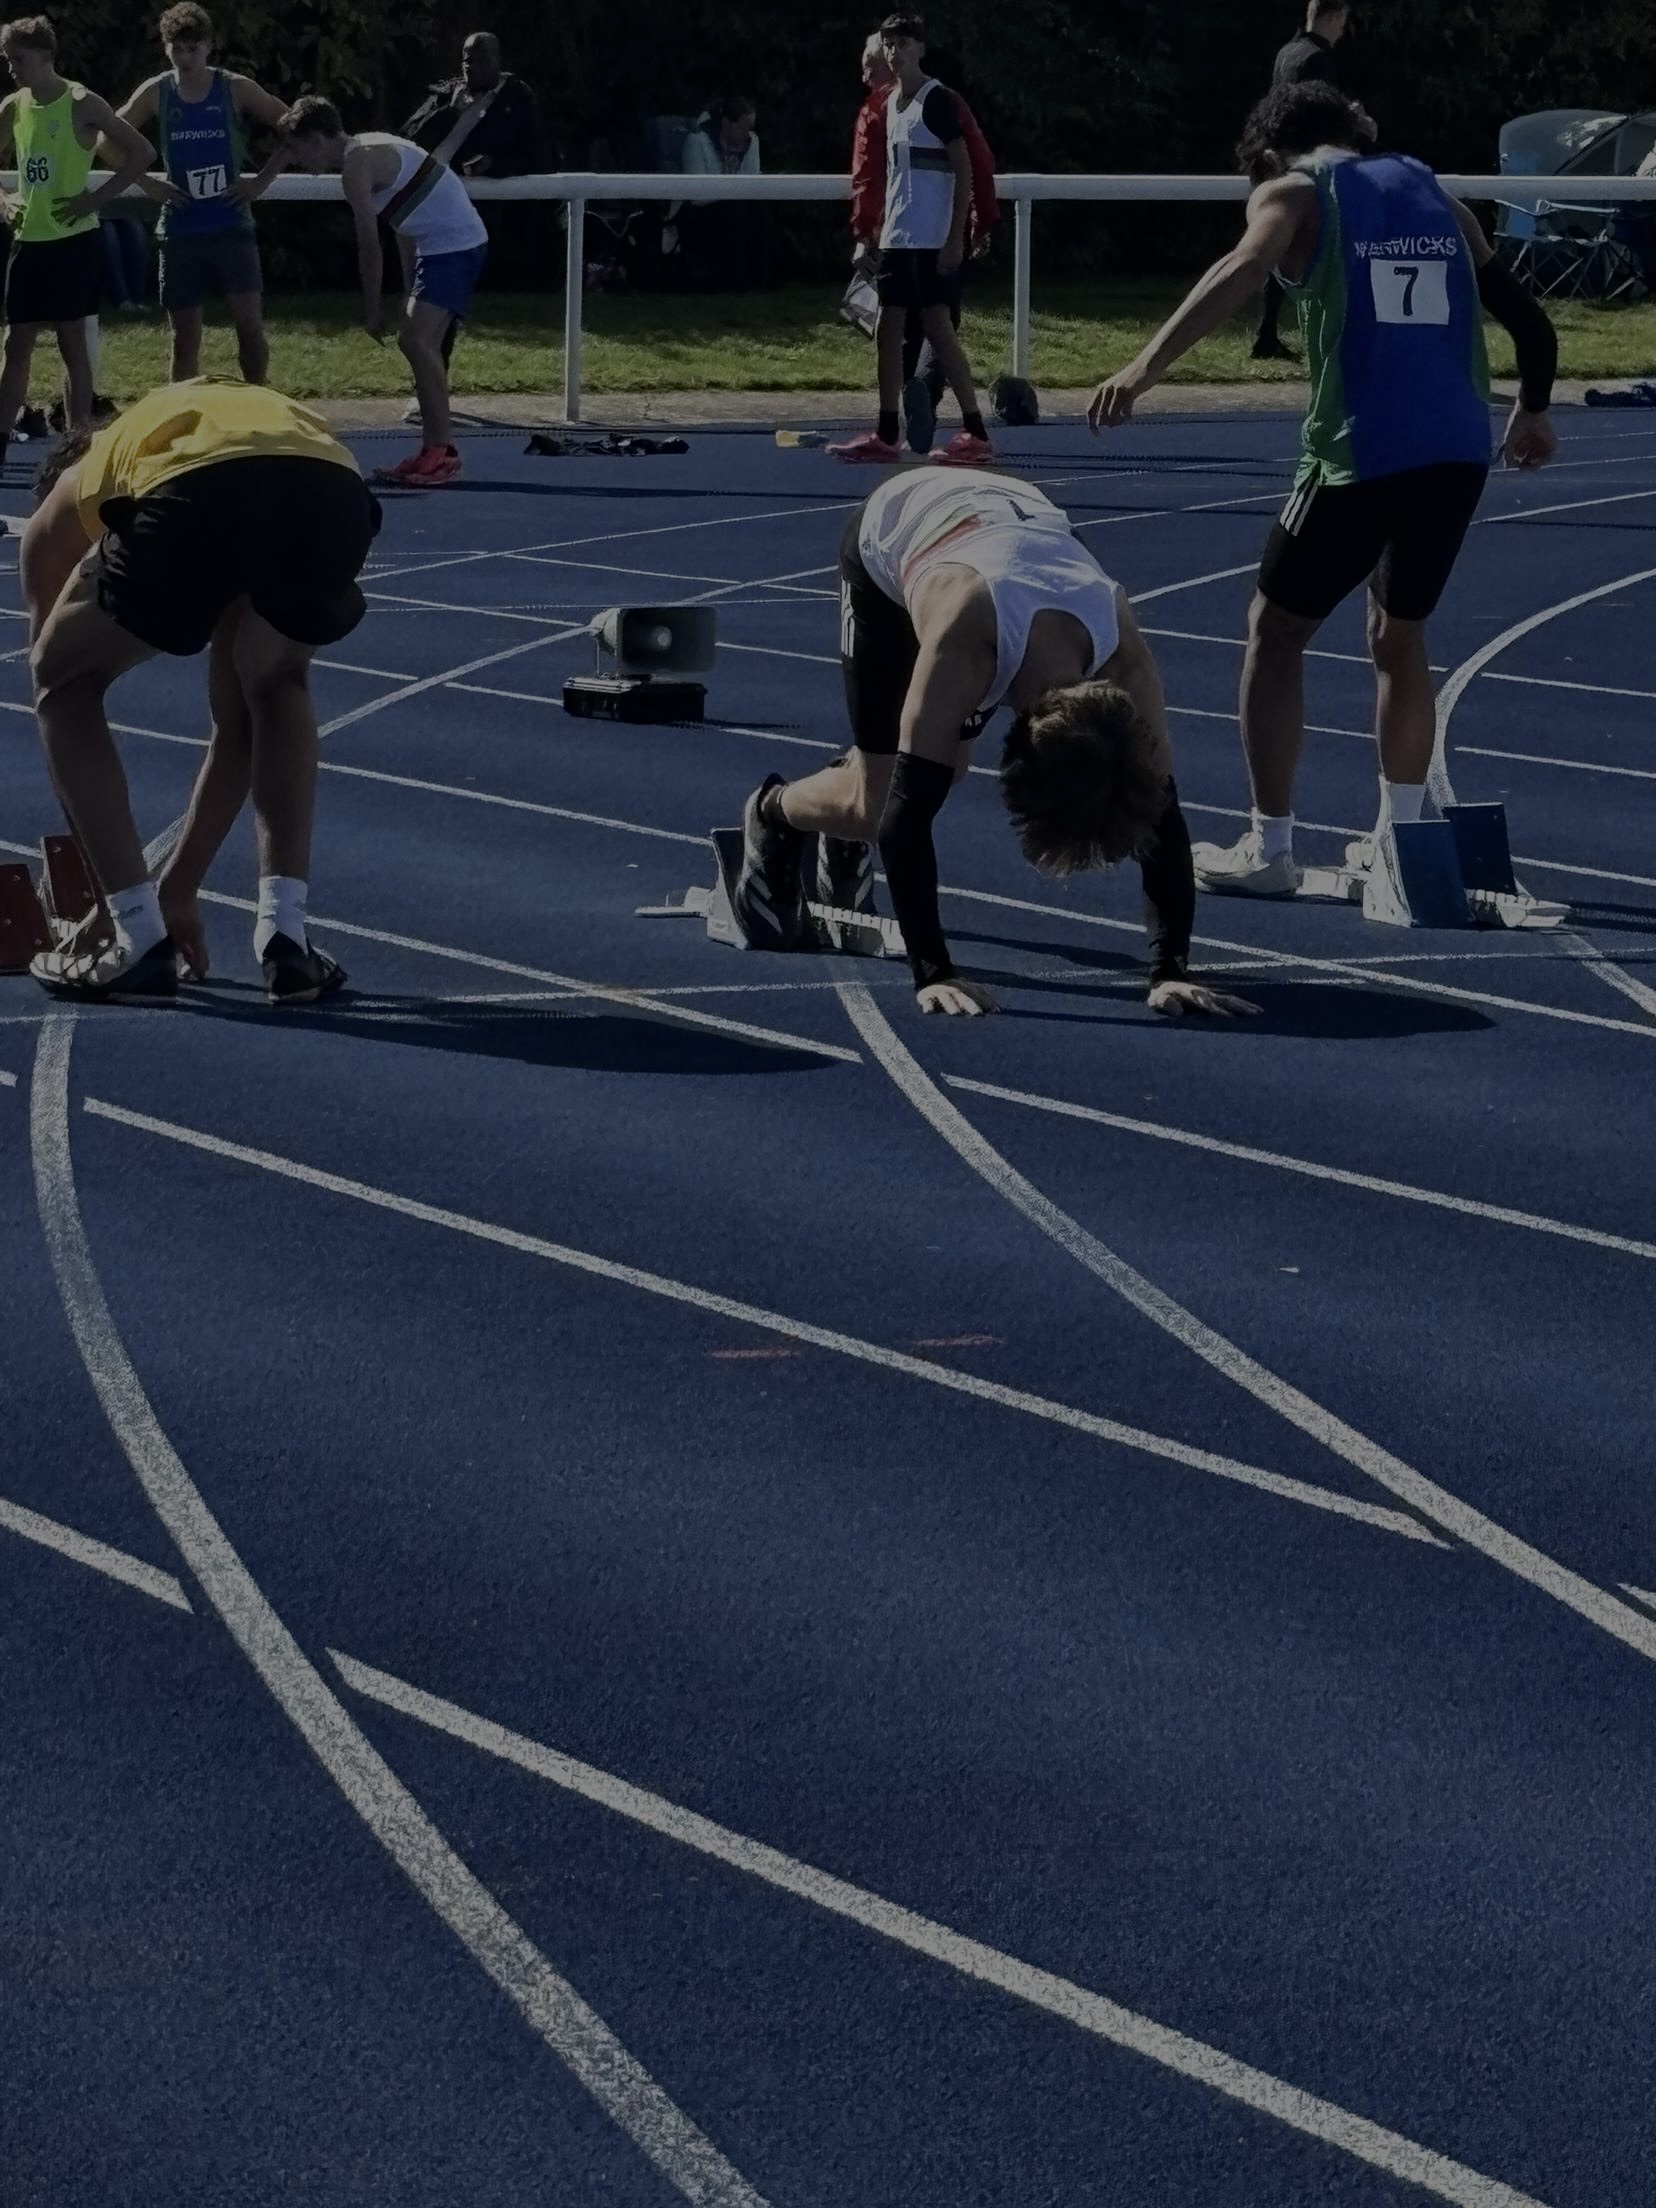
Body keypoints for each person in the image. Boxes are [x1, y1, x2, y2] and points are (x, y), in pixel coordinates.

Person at [1087, 81, 1559, 899]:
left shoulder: (1295, 190)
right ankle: (1400, 840)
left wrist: (1142, 368)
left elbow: (1242, 268)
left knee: (1273, 631)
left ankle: (1270, 846)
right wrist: (1536, 407)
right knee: (1399, 639)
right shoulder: (1439, 197)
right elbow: (1530, 322)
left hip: (1359, 453)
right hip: (1456, 449)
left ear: (1272, 156)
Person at [732, 468, 1258, 1020]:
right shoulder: (967, 642)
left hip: (1010, 527)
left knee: (931, 765)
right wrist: (934, 972)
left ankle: (855, 779)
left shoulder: (1122, 654)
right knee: (877, 803)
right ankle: (773, 811)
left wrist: (1171, 969)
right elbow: (903, 821)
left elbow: (1161, 811)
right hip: (900, 530)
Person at [20, 376, 380, 1002]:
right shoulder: (186, 419)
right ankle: (286, 937)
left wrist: (116, 904)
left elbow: (55, 693)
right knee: (273, 682)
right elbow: (232, 731)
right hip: (331, 487)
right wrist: (178, 887)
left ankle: (136, 941)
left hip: (201, 489)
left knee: (63, 684)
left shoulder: (74, 489)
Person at [248, 97, 489, 488]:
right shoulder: (367, 146)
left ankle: (441, 452)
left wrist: (372, 310)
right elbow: (405, 222)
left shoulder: (356, 167)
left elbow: (369, 247)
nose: (296, 159)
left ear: (318, 139)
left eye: (296, 148)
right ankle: (435, 448)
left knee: (416, 343)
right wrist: (409, 287)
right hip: (443, 244)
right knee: (419, 343)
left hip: (453, 245)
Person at [829, 14, 992, 467]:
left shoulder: (937, 101)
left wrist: (957, 238)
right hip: (899, 236)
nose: (895, 52)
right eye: (889, 45)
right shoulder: (890, 105)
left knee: (939, 329)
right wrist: (877, 232)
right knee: (887, 330)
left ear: (920, 48)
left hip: (931, 237)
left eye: (903, 43)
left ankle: (976, 431)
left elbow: (965, 168)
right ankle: (886, 433)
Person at [0, 17, 153, 470]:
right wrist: (4, 200)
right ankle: (1, 445)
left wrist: (95, 199)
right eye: (7, 60)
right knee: (16, 347)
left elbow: (142, 152)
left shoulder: (81, 102)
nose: (11, 68)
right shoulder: (13, 106)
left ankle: (76, 451)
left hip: (72, 242)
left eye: (18, 59)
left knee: (73, 347)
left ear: (46, 56)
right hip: (29, 241)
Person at [111, 4, 290, 386]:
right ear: (166, 48)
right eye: (177, 48)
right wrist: (147, 183)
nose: (185, 58)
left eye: (193, 48)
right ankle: (184, 413)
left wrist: (260, 182)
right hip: (180, 229)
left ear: (209, 46)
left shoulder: (234, 87)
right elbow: (106, 139)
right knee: (184, 340)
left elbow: (293, 126)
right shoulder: (157, 92)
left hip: (231, 224)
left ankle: (259, 401)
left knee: (250, 330)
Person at [1252, 1, 1351, 360]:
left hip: (1278, 152)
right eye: (1342, 21)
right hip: (1306, 160)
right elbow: (1320, 112)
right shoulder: (1317, 58)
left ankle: (1266, 333)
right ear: (1331, 16)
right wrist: (1353, 120)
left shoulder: (1287, 51)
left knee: (1276, 241)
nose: (1342, 30)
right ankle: (1317, 332)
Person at [402, 31, 543, 181]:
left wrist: (492, 164)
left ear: (499, 61)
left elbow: (535, 158)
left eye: (482, 60)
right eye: (468, 60)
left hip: (467, 187)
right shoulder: (447, 93)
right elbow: (408, 137)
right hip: (416, 181)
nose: (473, 67)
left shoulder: (517, 100)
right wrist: (450, 111)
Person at [679, 93, 766, 292]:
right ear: (726, 123)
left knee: (760, 211)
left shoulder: (752, 142)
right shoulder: (697, 141)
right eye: (741, 128)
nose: (746, 134)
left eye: (749, 128)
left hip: (734, 206)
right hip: (698, 211)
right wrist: (731, 193)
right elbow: (697, 194)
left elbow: (753, 181)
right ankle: (733, 282)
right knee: (735, 212)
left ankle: (759, 279)